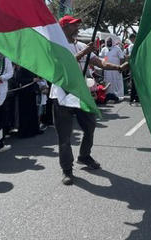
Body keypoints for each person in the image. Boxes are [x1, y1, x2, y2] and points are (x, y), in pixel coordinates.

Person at [51, 15, 127, 186]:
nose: (77, 27)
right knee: (64, 136)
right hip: (62, 95)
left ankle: (84, 156)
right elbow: (64, 65)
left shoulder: (81, 45)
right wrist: (83, 53)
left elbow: (99, 61)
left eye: (78, 24)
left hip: (81, 94)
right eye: (73, 25)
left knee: (90, 126)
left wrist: (118, 67)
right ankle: (67, 170)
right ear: (63, 28)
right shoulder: (56, 47)